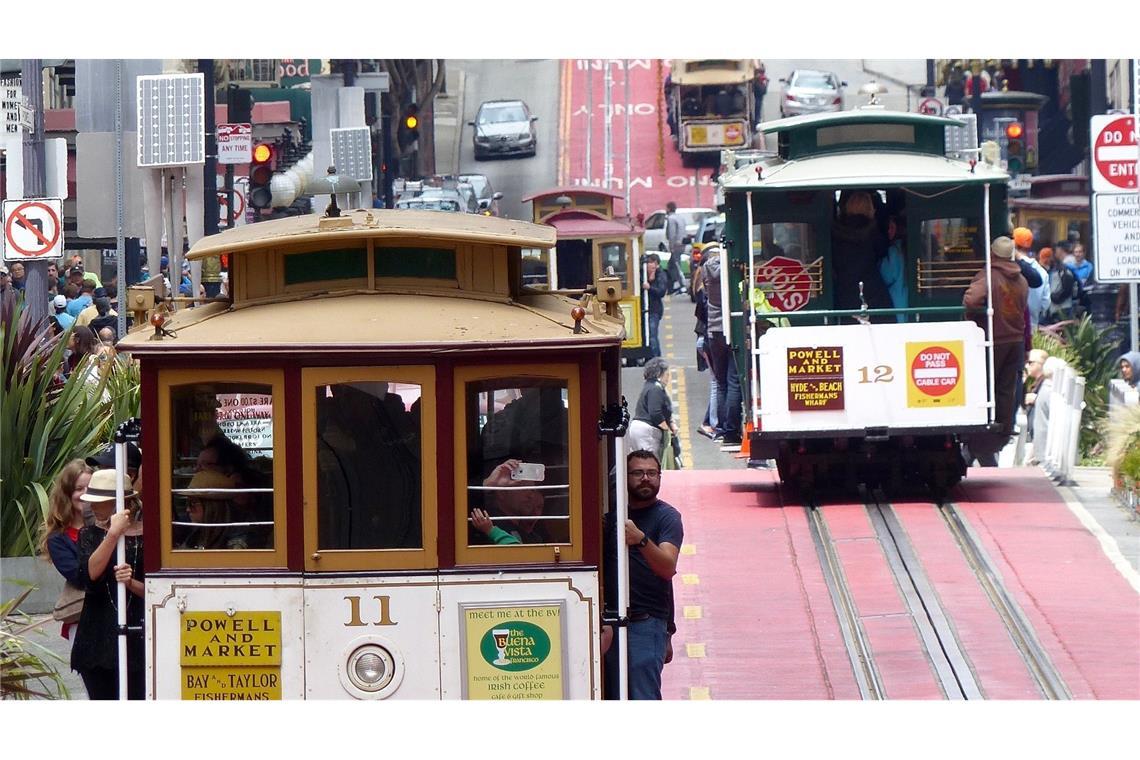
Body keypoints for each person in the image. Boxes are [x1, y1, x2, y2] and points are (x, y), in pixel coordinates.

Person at [603, 450, 683, 700]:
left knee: (643, 696)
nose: (645, 478)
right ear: (625, 478)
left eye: (651, 473)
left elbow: (667, 568)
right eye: (638, 473)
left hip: (646, 623)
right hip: (608, 624)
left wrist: (641, 540)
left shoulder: (667, 517)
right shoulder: (610, 517)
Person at [71, 468, 145, 699]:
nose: (92, 506)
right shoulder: (90, 534)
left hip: (138, 632)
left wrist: (130, 582)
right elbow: (89, 574)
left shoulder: (149, 535)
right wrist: (113, 534)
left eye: (99, 502)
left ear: (118, 502)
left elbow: (158, 590)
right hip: (98, 635)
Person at [963, 236, 1029, 465]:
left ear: (992, 253)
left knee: (986, 385)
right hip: (1016, 340)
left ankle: (983, 433)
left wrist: (974, 319)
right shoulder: (1021, 280)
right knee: (1006, 388)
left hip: (995, 338)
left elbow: (971, 300)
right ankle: (1002, 428)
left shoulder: (989, 276)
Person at [38, 460, 93, 642]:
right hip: (84, 621)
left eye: (90, 488)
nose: (85, 494)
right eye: (79, 489)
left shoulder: (112, 524)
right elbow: (80, 577)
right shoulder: (58, 539)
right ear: (67, 494)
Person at [701, 244, 743, 450]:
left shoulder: (706, 270)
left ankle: (722, 429)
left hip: (714, 330)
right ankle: (732, 429)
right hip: (731, 327)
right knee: (734, 381)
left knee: (721, 382)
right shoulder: (731, 270)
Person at [830, 191, 892, 321]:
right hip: (872, 291)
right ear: (870, 208)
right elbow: (883, 251)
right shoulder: (874, 232)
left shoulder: (835, 233)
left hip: (844, 292)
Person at [473, 458, 549, 544]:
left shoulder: (534, 530)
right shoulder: (485, 525)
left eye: (532, 489)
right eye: (522, 488)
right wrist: (488, 484)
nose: (531, 495)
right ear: (501, 492)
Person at [178, 469, 249, 550]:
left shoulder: (236, 538)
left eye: (192, 503)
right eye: (187, 503)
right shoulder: (198, 531)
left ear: (212, 507)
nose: (188, 509)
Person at [629, 358, 677, 462]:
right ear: (660, 374)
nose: (668, 378)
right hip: (647, 432)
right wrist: (667, 429)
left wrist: (671, 423)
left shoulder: (649, 386)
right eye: (667, 375)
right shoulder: (655, 389)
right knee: (649, 462)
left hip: (639, 429)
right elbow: (656, 413)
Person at [879, 214, 908, 322]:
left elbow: (887, 276)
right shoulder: (911, 248)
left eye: (892, 228)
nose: (889, 231)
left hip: (897, 301)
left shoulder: (894, 251)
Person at [1039, 247, 1076, 325]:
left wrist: (1054, 297)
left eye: (1046, 260)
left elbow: (1068, 289)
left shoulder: (1063, 271)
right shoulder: (1048, 271)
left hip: (1062, 309)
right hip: (1051, 310)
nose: (1044, 263)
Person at [643, 253, 667, 358]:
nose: (650, 267)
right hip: (644, 309)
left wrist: (650, 288)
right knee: (646, 335)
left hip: (654, 309)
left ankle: (656, 357)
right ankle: (648, 356)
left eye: (652, 265)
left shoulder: (661, 275)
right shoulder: (643, 274)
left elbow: (661, 291)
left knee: (652, 335)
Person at [664, 202, 686, 295]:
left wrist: (671, 246)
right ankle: (671, 286)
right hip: (682, 244)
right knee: (672, 265)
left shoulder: (671, 219)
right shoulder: (680, 217)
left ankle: (682, 285)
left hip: (676, 245)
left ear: (669, 208)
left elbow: (672, 233)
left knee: (676, 265)